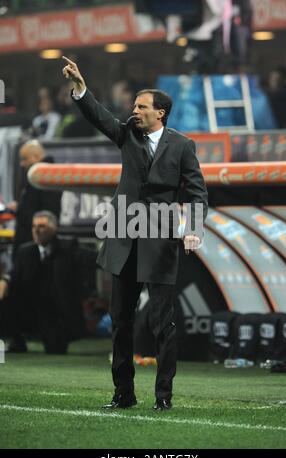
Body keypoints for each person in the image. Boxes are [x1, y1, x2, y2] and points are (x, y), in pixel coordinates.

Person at [62, 56, 208, 411]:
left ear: (161, 113)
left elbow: (197, 192)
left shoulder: (183, 146)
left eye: (142, 106)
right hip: (124, 239)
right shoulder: (126, 132)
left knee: (163, 325)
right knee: (121, 322)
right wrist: (81, 89)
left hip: (159, 239)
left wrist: (194, 230)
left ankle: (163, 397)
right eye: (135, 105)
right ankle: (123, 394)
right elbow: (99, 116)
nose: (135, 110)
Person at [0, 211, 96, 354]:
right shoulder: (25, 252)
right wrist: (4, 280)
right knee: (5, 294)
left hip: (58, 314)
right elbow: (13, 276)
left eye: (42, 226)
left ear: (54, 229)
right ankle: (16, 340)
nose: (37, 231)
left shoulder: (69, 247)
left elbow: (95, 259)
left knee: (55, 349)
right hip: (31, 310)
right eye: (34, 227)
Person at [6, 139, 61, 260]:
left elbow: (47, 213)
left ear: (35, 157)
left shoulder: (46, 176)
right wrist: (19, 206)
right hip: (30, 246)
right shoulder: (37, 176)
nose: (21, 164)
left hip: (34, 249)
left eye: (24, 158)